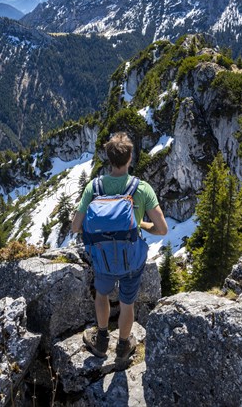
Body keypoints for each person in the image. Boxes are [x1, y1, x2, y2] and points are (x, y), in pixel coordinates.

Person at [71, 132, 168, 362]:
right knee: (127, 302)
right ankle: (123, 347)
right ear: (130, 158)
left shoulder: (93, 188)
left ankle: (102, 340)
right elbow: (162, 228)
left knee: (101, 294)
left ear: (108, 158)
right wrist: (141, 224)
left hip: (103, 259)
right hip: (131, 261)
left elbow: (76, 227)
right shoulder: (141, 189)